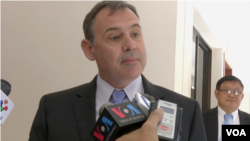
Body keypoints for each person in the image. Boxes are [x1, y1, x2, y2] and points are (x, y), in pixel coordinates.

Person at [29, 0, 207, 141]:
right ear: (90, 49)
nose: (130, 45)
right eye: (115, 37)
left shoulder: (187, 110)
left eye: (135, 34)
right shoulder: (54, 108)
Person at [202, 75, 250, 141]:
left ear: (242, 97)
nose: (232, 95)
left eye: (236, 91)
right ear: (217, 93)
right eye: (227, 90)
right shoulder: (201, 118)